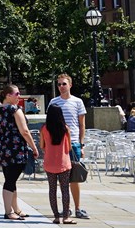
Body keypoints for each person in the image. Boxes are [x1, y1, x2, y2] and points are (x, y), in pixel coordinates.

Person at [0, 84, 39, 221]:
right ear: (8, 95)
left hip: (3, 148)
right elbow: (24, 131)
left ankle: (16, 209)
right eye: (16, 94)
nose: (19, 96)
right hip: (16, 149)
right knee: (10, 180)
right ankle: (8, 212)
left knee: (10, 179)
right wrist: (34, 147)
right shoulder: (15, 110)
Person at [49, 73, 89, 220]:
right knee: (62, 178)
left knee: (74, 177)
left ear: (70, 85)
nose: (61, 86)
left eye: (63, 84)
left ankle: (78, 208)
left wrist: (81, 143)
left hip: (73, 144)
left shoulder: (78, 102)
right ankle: (67, 209)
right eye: (59, 84)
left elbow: (82, 124)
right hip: (58, 144)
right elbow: (50, 123)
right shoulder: (54, 102)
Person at [40, 105, 74, 225]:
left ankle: (56, 217)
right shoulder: (65, 129)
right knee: (65, 189)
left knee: (52, 190)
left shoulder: (44, 128)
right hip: (64, 162)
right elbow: (69, 147)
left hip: (49, 163)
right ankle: (66, 217)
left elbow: (42, 146)